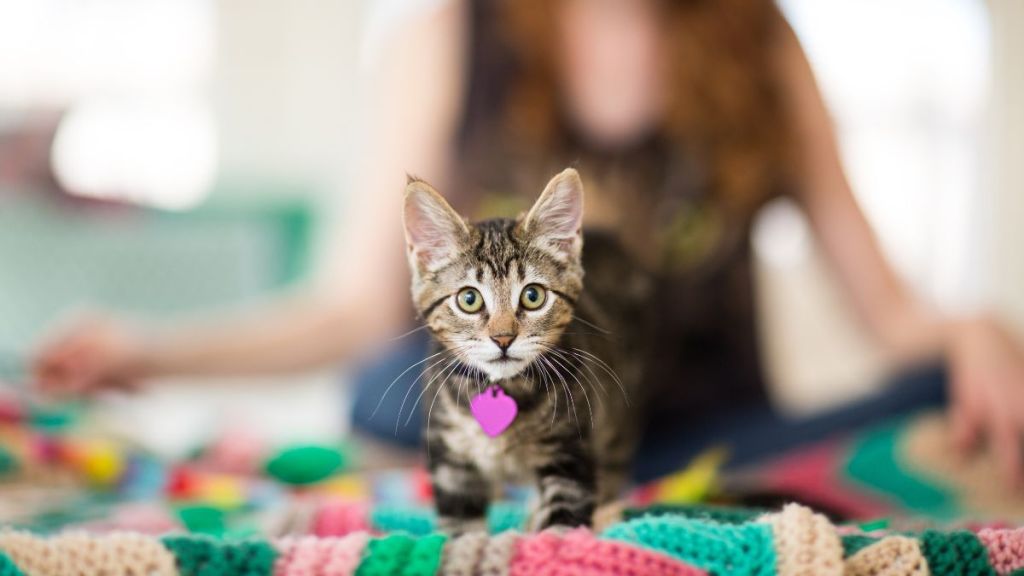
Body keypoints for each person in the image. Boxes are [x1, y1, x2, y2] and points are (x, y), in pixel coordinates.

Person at [34, 0, 1024, 485]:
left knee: (954, 395)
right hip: (516, 438)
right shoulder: (452, 35)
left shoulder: (760, 38)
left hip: (717, 451)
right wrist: (150, 348)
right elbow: (350, 309)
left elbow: (892, 318)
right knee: (383, 379)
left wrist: (975, 329)